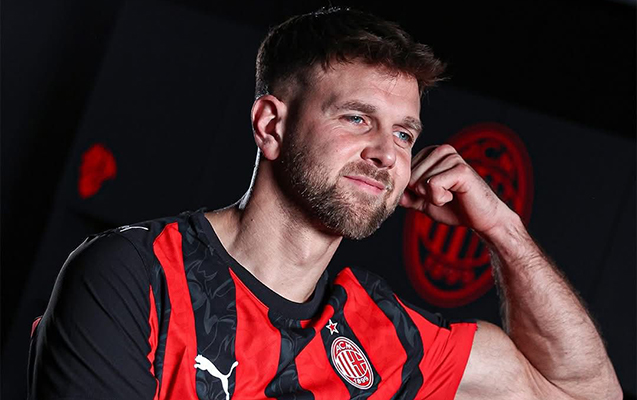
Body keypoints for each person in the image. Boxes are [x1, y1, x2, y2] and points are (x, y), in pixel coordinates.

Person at [28, 7, 621, 400]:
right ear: (271, 125)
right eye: (357, 118)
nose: (386, 153)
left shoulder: (383, 334)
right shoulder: (137, 274)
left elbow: (582, 392)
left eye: (404, 134)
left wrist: (503, 230)